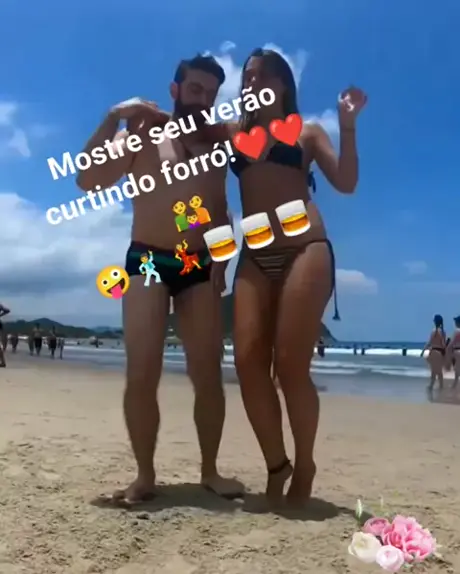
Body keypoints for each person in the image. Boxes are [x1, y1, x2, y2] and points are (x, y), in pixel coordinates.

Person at [76, 54, 242, 504]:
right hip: (148, 259)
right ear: (175, 89)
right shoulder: (143, 131)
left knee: (207, 373)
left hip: (198, 263)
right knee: (142, 372)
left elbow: (220, 208)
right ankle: (145, 475)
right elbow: (88, 179)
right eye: (195, 89)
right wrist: (113, 117)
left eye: (211, 94)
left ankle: (210, 470)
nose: (203, 99)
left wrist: (223, 260)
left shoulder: (215, 145)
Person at [216, 49, 366, 506]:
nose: (250, 83)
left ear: (282, 84)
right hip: (255, 255)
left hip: (306, 248)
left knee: (290, 366)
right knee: (247, 362)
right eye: (246, 77)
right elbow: (186, 135)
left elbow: (346, 182)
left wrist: (347, 125)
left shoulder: (308, 132)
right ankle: (276, 463)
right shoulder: (231, 133)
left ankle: (305, 464)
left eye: (260, 76)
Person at [421, 314, 447, 391]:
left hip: (433, 352)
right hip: (440, 352)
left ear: (435, 322)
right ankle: (440, 386)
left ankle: (432, 386)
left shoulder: (433, 331)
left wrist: (423, 351)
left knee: (433, 370)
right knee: (439, 371)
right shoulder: (443, 332)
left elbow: (429, 342)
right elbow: (443, 344)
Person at [446, 315, 460, 389]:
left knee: (456, 370)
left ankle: (454, 386)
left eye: (456, 321)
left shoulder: (457, 331)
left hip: (457, 351)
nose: (455, 323)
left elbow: (451, 343)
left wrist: (447, 350)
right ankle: (454, 386)